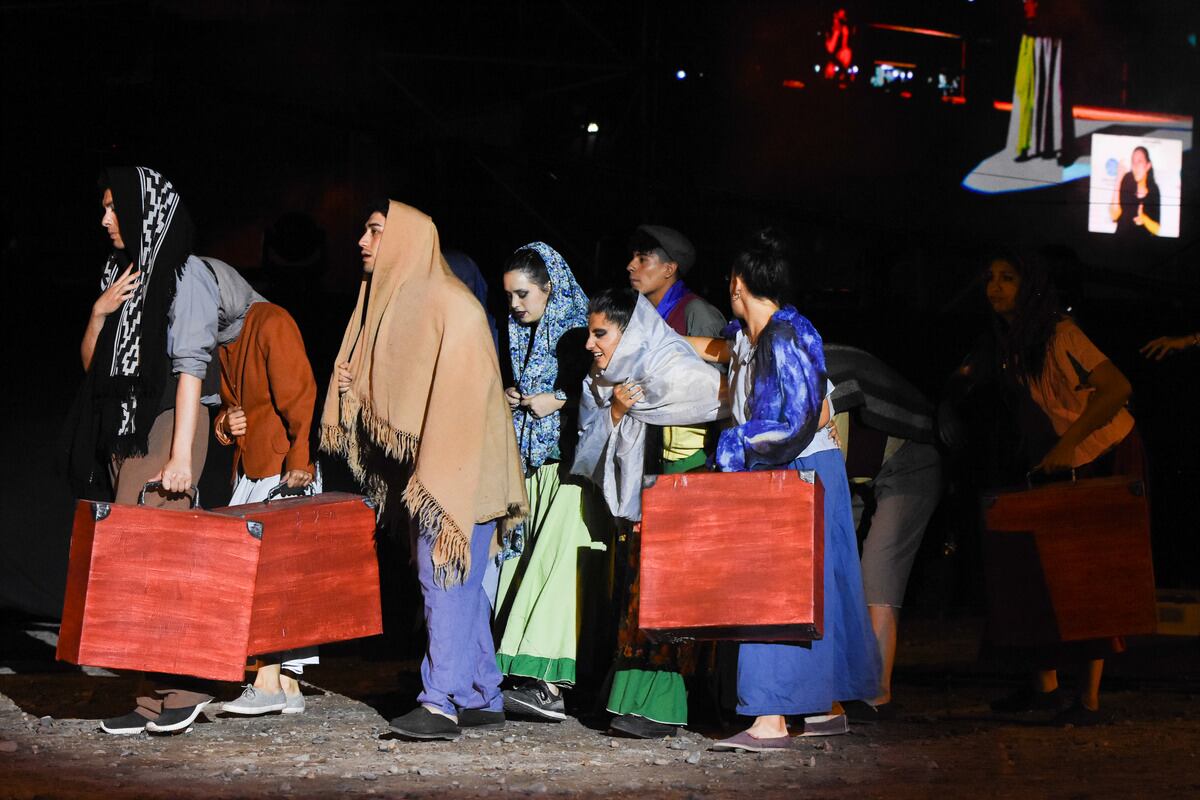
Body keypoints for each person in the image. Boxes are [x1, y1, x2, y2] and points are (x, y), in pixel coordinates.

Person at [320, 201, 527, 741]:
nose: (363, 242)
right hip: (432, 464)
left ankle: (439, 703)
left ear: (409, 238)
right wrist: (356, 393)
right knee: (453, 582)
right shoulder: (392, 304)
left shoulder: (452, 306)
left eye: (376, 231)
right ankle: (481, 691)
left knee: (443, 576)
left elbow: (460, 401)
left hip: (463, 465)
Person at [683, 230, 880, 752]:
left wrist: (731, 451)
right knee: (816, 591)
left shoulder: (784, 337)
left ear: (737, 284)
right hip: (810, 469)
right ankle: (826, 706)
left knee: (771, 592)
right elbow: (720, 348)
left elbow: (789, 424)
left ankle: (770, 720)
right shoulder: (759, 333)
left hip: (795, 470)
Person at [64, 166, 222, 735]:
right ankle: (149, 694)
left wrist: (180, 457)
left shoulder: (185, 276)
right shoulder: (119, 273)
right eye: (104, 208)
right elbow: (94, 371)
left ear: (142, 209)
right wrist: (99, 313)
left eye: (115, 208)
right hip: (128, 433)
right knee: (132, 558)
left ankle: (186, 686)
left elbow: (189, 372)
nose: (106, 219)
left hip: (171, 421)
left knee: (164, 551)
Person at [955, 251, 1136, 726]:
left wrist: (1069, 443)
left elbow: (1117, 387)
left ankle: (1089, 700)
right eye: (990, 277)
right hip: (1060, 455)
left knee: (1088, 573)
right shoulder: (1012, 340)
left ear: (1030, 285)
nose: (995, 286)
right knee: (1034, 568)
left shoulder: (1062, 333)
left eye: (1007, 278)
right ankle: (1046, 688)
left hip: (1104, 452)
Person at [572, 287, 725, 737]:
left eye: (601, 333)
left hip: (689, 505)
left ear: (632, 332)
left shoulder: (677, 372)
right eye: (589, 332)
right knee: (638, 605)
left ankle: (665, 708)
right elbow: (588, 450)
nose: (590, 344)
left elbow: (728, 409)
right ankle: (629, 701)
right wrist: (616, 412)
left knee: (673, 609)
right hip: (645, 509)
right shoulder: (608, 383)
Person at [612, 225, 726, 737]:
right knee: (645, 589)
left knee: (677, 592)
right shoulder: (641, 315)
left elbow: (721, 396)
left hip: (692, 470)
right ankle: (634, 698)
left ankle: (669, 705)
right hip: (653, 471)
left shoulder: (699, 316)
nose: (632, 264)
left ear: (671, 267)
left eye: (644, 257)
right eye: (633, 255)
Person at [199, 258, 320, 717]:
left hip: (282, 470)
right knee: (270, 578)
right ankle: (287, 684)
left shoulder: (272, 322)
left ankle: (267, 679)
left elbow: (300, 396)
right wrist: (224, 424)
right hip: (252, 469)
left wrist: (300, 463)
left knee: (268, 579)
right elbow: (228, 404)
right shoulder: (223, 340)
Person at [492, 242, 603, 721]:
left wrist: (557, 399)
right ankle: (513, 672)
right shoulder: (519, 332)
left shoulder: (582, 330)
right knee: (518, 564)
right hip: (529, 465)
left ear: (549, 288)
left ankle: (548, 684)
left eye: (523, 295)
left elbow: (603, 388)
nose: (515, 305)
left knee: (553, 568)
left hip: (569, 466)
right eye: (510, 296)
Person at [825, 345, 943, 720]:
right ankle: (847, 684)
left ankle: (877, 694)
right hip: (862, 471)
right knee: (842, 575)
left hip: (909, 464)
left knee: (878, 576)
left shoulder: (825, 389)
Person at [1109, 146, 1162, 238]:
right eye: (1133, 162)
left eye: (1139, 161)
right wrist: (1118, 179)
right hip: (1121, 243)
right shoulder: (1126, 180)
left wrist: (1144, 219)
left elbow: (1157, 229)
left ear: (1148, 165)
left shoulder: (1154, 189)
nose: (1135, 166)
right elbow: (1114, 215)